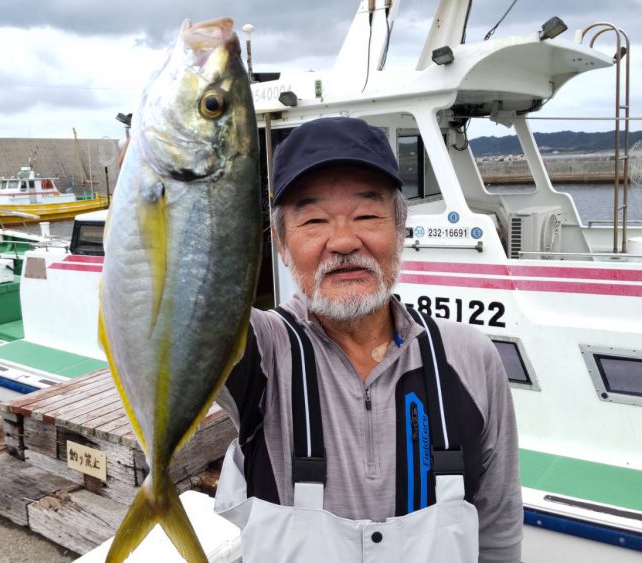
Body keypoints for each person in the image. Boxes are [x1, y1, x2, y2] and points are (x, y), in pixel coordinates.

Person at [214, 117, 523, 562]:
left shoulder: (469, 357)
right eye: (314, 220)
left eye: (367, 215)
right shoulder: (263, 349)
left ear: (400, 229)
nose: (343, 241)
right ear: (281, 244)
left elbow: (498, 528)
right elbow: (163, 306)